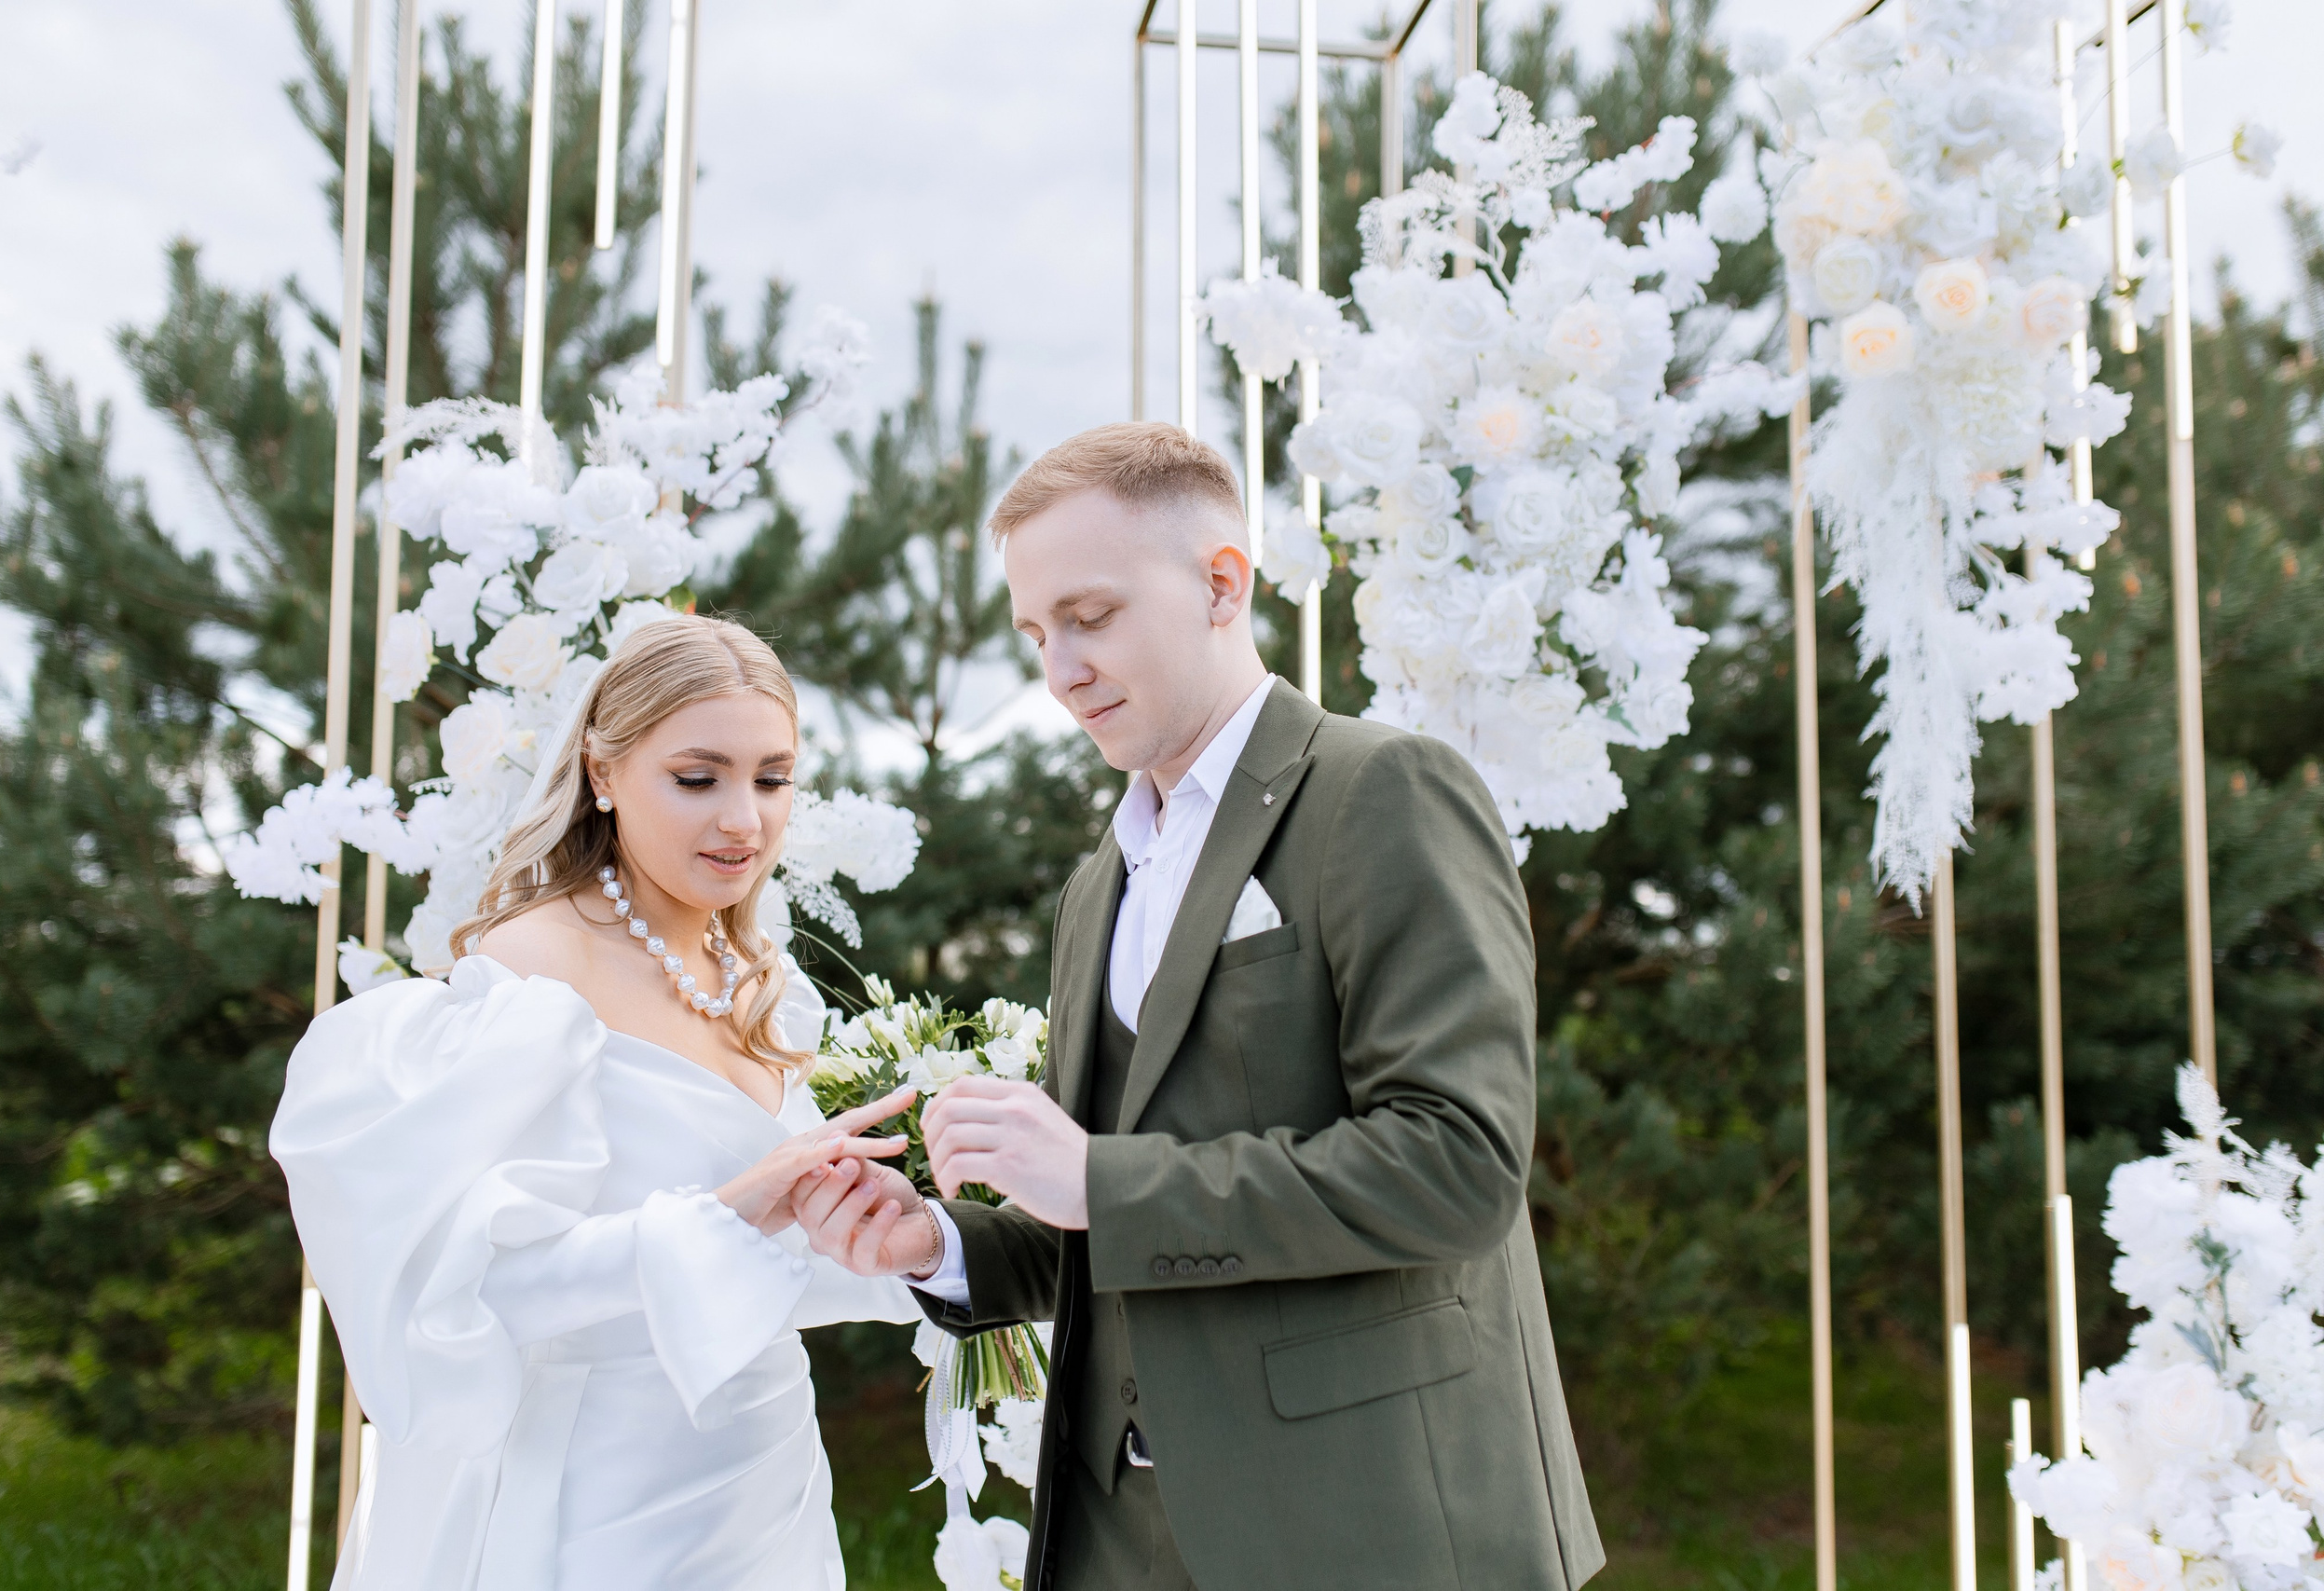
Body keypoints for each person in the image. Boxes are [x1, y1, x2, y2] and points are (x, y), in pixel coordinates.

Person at [796, 423, 1606, 1591]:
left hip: (1365, 1528)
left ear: (1223, 581)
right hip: (1120, 1538)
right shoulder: (1097, 887)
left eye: (1091, 615)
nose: (1058, 666)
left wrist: (1093, 1182)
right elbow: (1122, 1207)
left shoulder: (1383, 792)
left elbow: (1457, 1166)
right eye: (1033, 633)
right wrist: (941, 1244)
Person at [270, 615, 942, 1591]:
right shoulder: (531, 981)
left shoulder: (768, 983)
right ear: (601, 772)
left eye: (771, 777)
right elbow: (474, 1293)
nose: (744, 821)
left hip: (762, 1481)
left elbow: (780, 1266)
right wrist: (718, 1218)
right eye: (697, 778)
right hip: (592, 1497)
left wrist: (914, 1244)